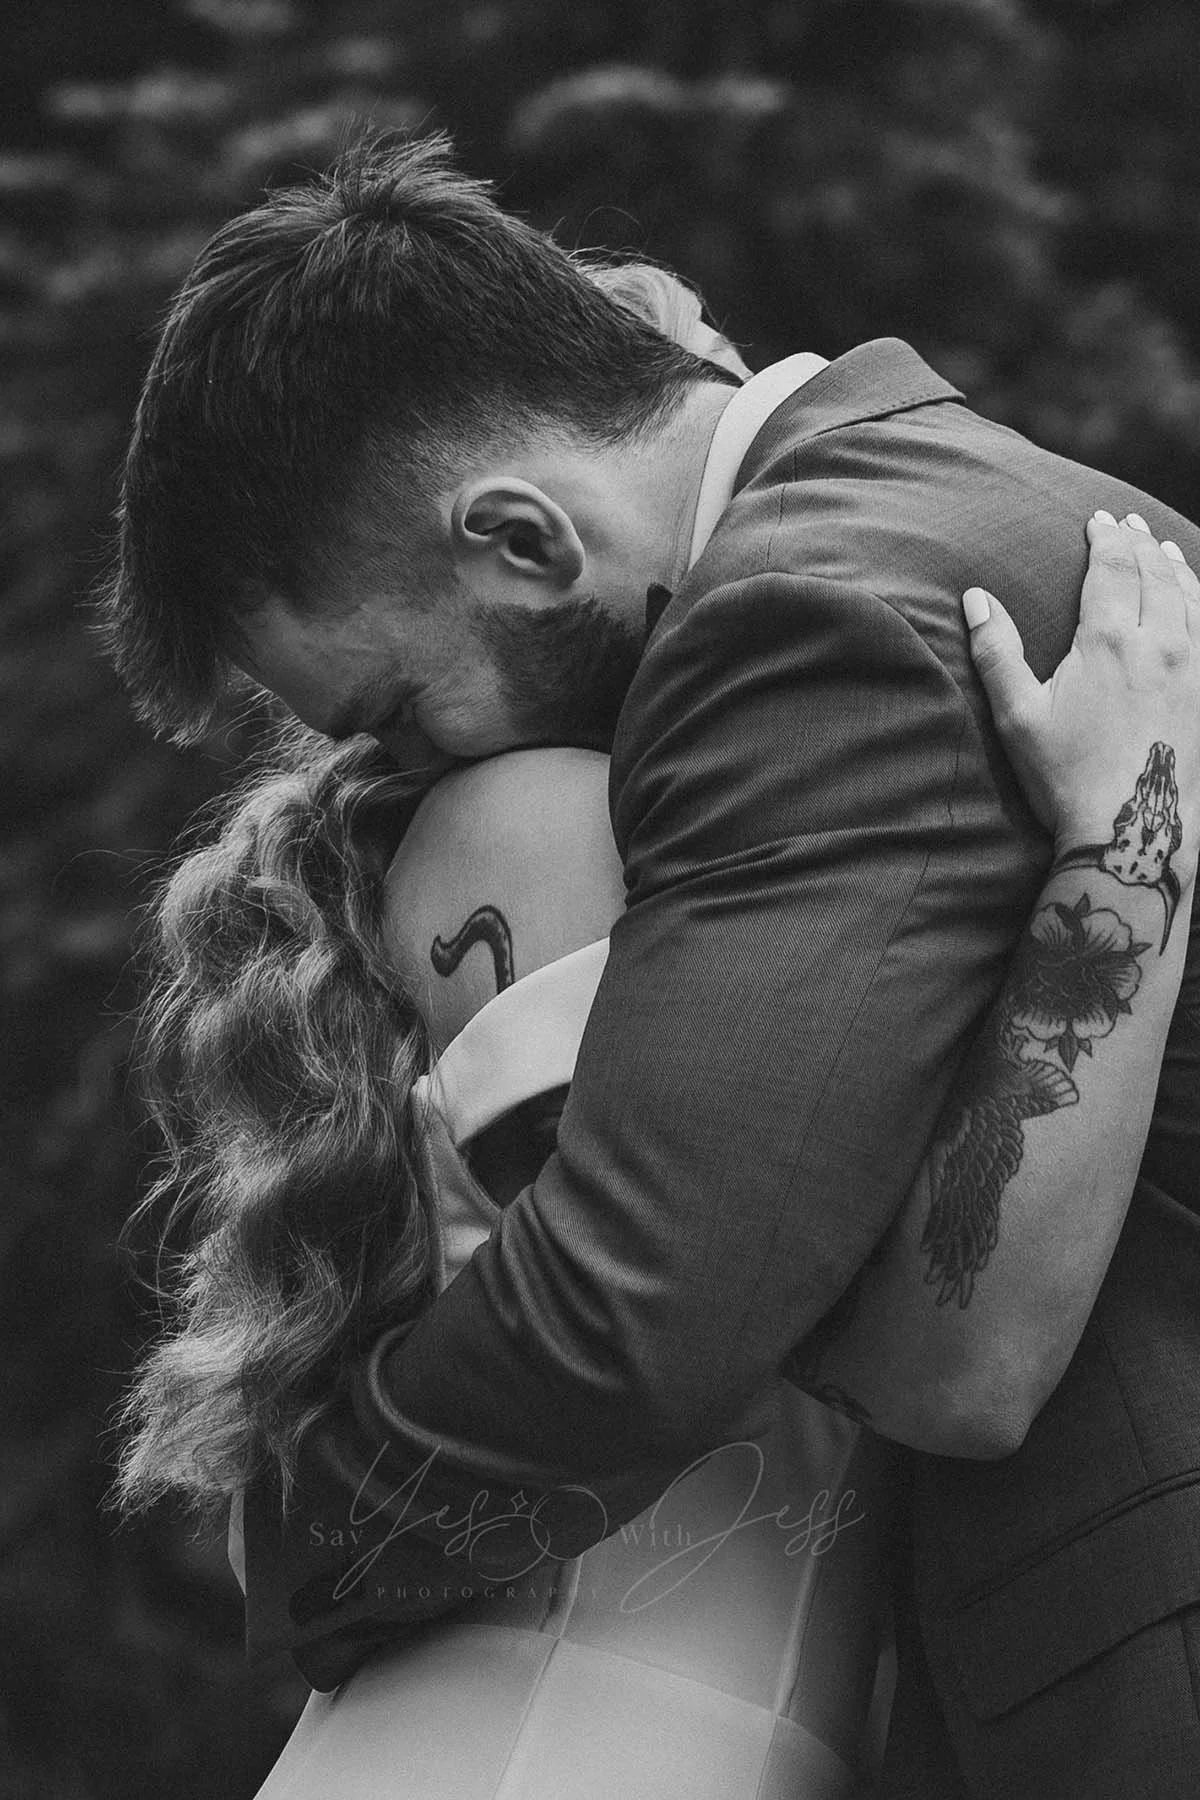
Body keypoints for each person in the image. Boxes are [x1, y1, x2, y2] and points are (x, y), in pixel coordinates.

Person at [101, 134, 1200, 1797]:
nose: (406, 774)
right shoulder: (987, 505)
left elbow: (663, 1315)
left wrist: (303, 1544)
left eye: (395, 709)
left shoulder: (808, 615)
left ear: (528, 545)